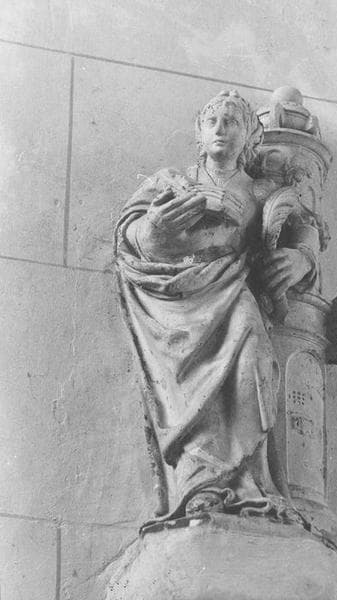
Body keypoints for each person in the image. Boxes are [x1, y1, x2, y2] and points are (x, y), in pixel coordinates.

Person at [115, 90, 315, 527]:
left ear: (249, 137)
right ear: (200, 134)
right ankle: (201, 484)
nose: (221, 129)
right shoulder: (172, 181)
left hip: (233, 287)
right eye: (213, 122)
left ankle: (248, 481)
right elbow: (130, 231)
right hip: (176, 302)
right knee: (190, 394)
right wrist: (153, 230)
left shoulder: (260, 190)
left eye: (232, 122)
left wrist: (302, 258)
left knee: (252, 360)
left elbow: (304, 225)